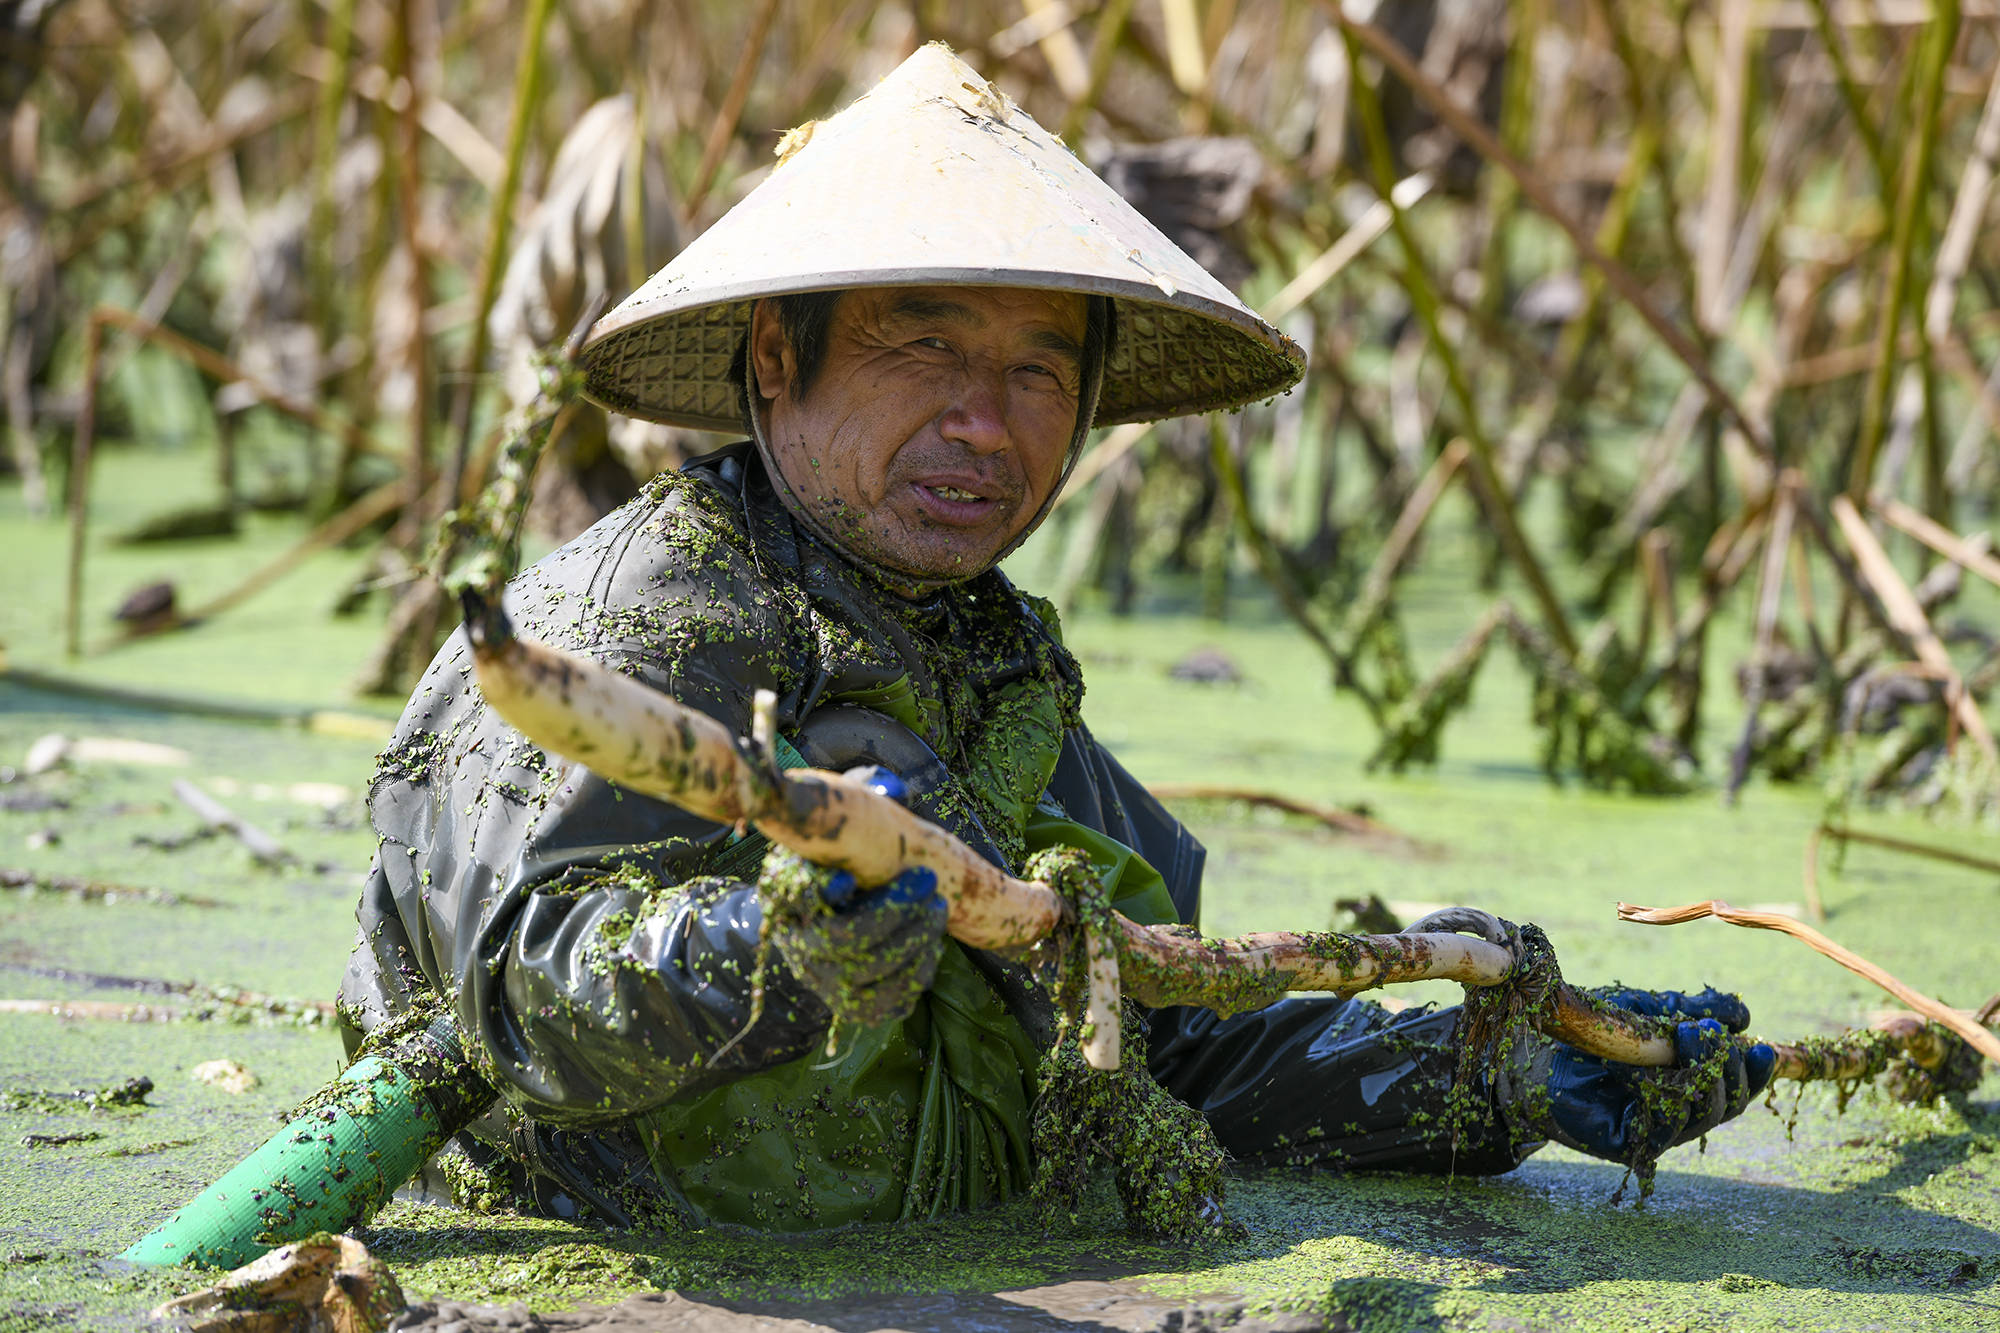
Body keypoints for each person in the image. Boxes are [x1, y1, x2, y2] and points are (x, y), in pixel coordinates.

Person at [337, 45, 1772, 1232]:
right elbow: (518, 991)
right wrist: (774, 945)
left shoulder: (1000, 669)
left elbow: (1172, 1043)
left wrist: (1510, 1064)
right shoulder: (627, 624)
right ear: (777, 356)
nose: (987, 422)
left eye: (1037, 369)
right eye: (930, 349)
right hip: (632, 1271)